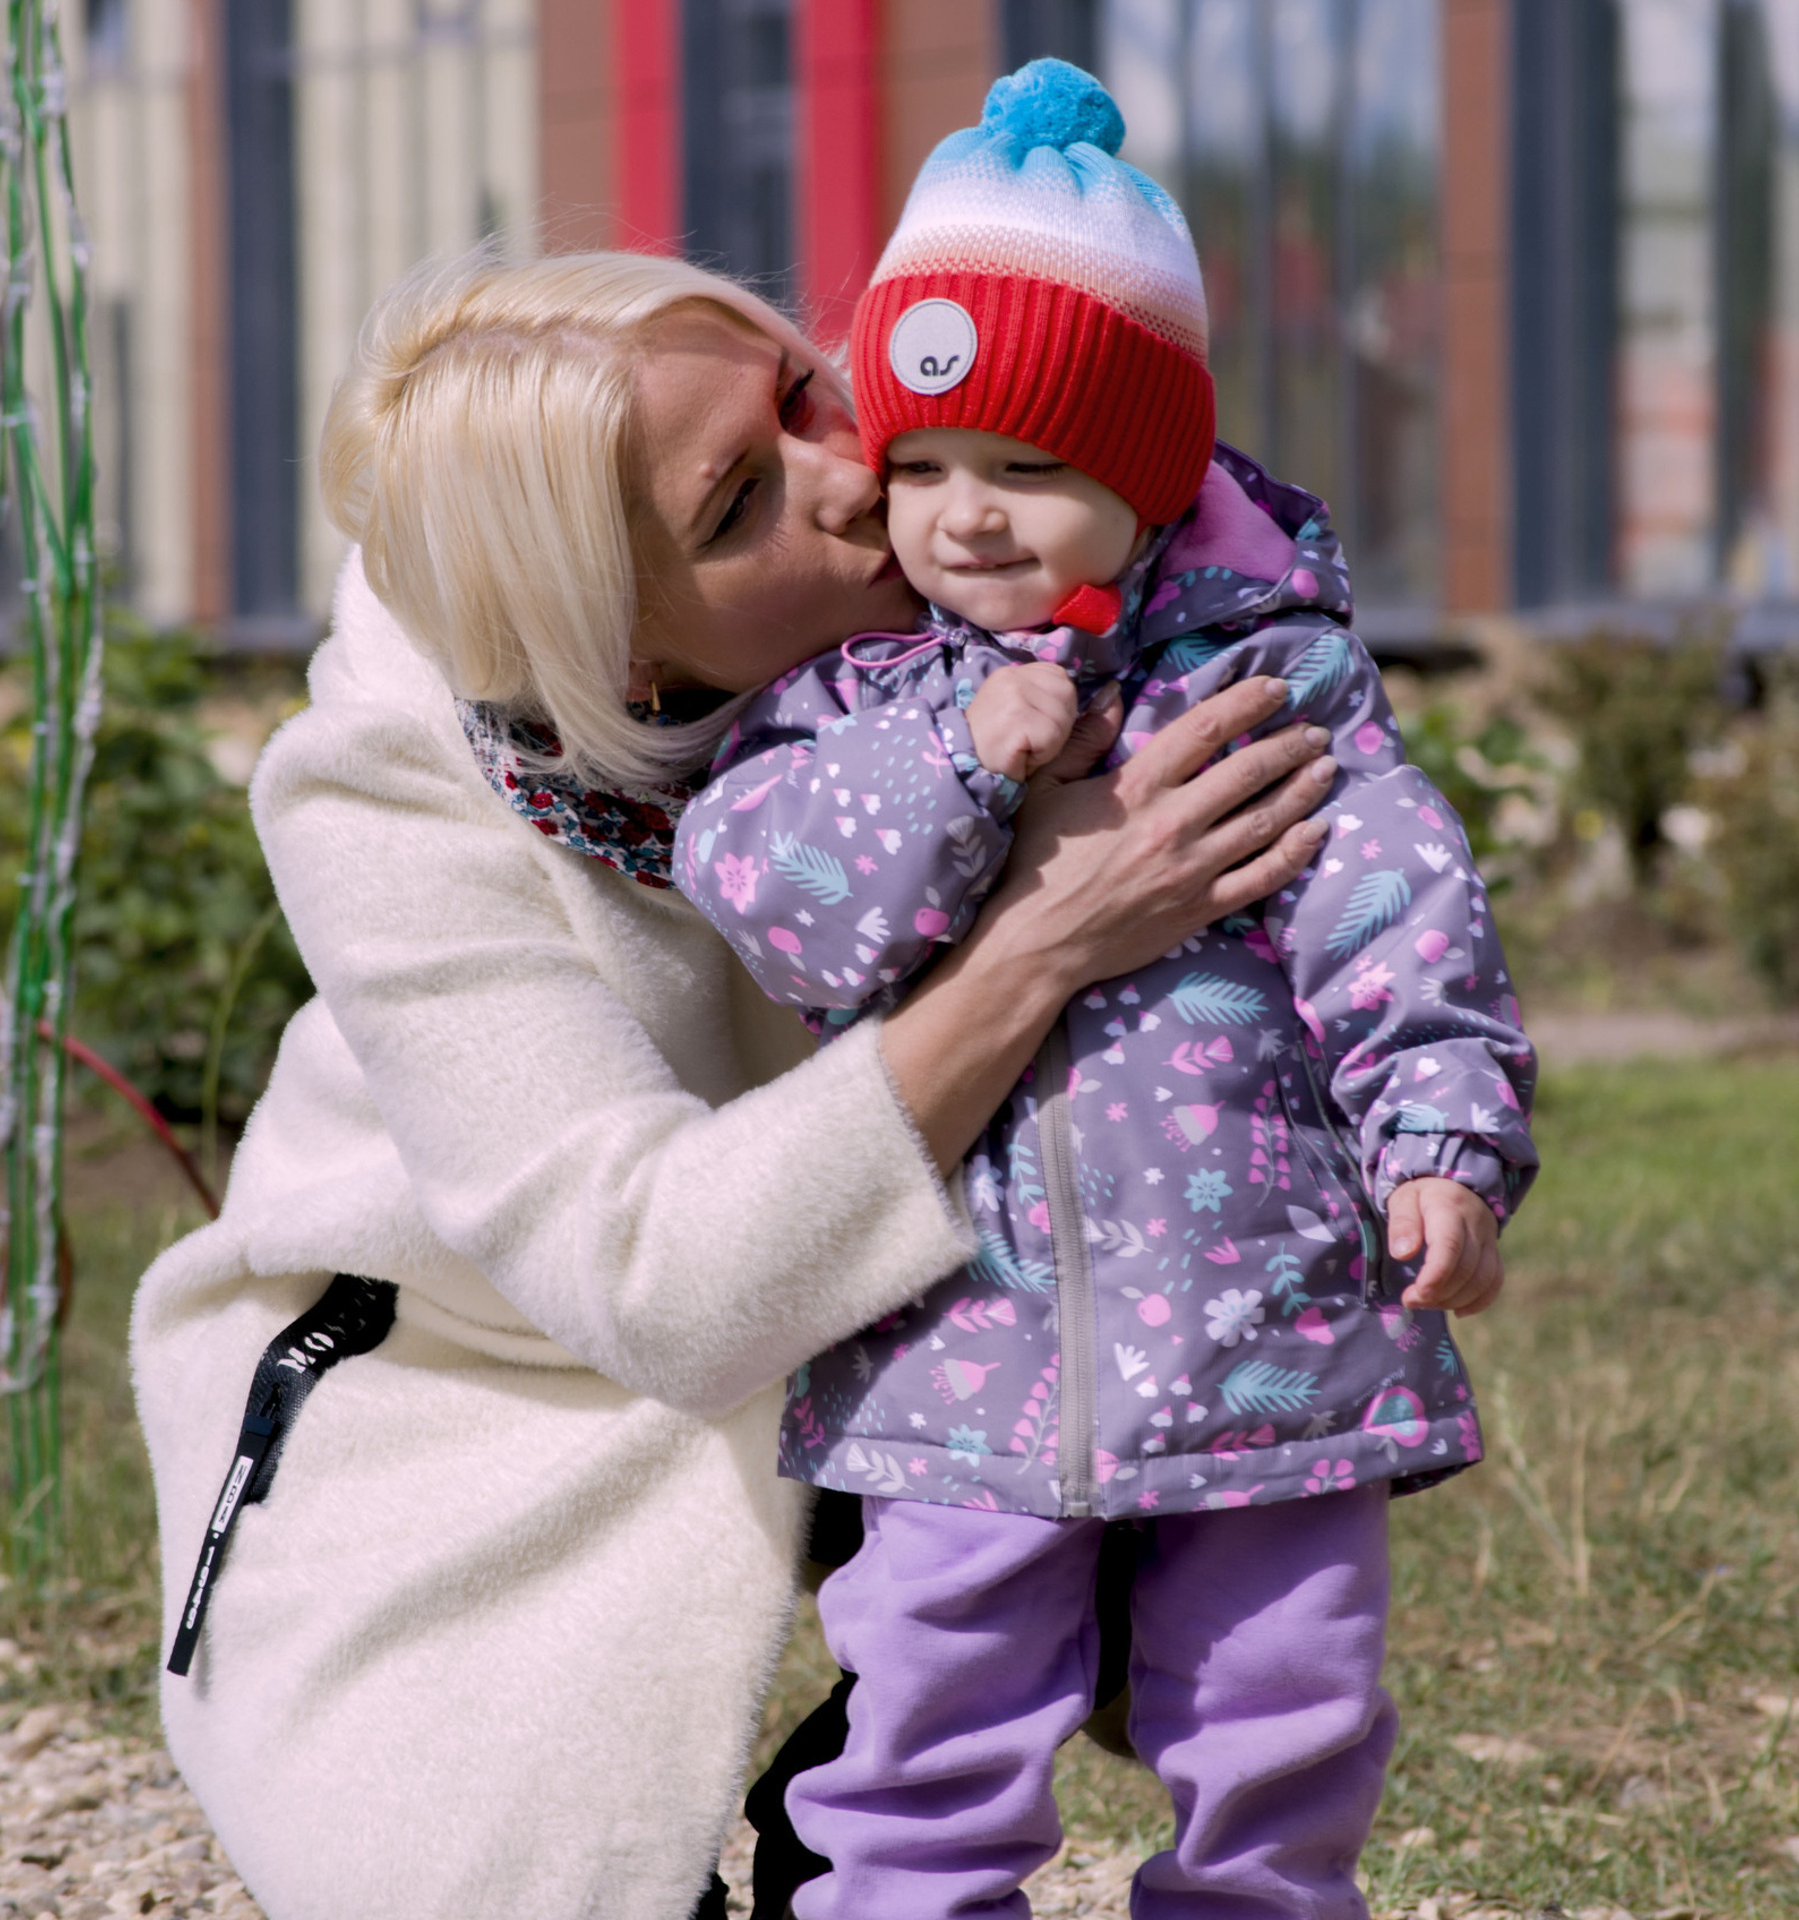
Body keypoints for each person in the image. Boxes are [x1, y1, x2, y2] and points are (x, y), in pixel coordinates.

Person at [129, 241, 1340, 1920]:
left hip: (905, 1307)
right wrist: (1040, 948)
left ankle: (868, 1838)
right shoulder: (385, 797)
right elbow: (663, 1286)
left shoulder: (1010, 616)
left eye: (802, 388)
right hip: (487, 1382)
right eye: (737, 505)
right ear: (625, 658)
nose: (860, 476)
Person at [670, 61, 1539, 1920]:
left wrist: (1443, 1131)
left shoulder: (1265, 687)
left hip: (1269, 1317)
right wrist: (964, 770)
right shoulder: (861, 702)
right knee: (927, 1709)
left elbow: (1398, 898)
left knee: (1283, 1707)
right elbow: (775, 897)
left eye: (1028, 469)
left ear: (1145, 479)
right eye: (920, 470)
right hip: (961, 1348)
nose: (963, 521)